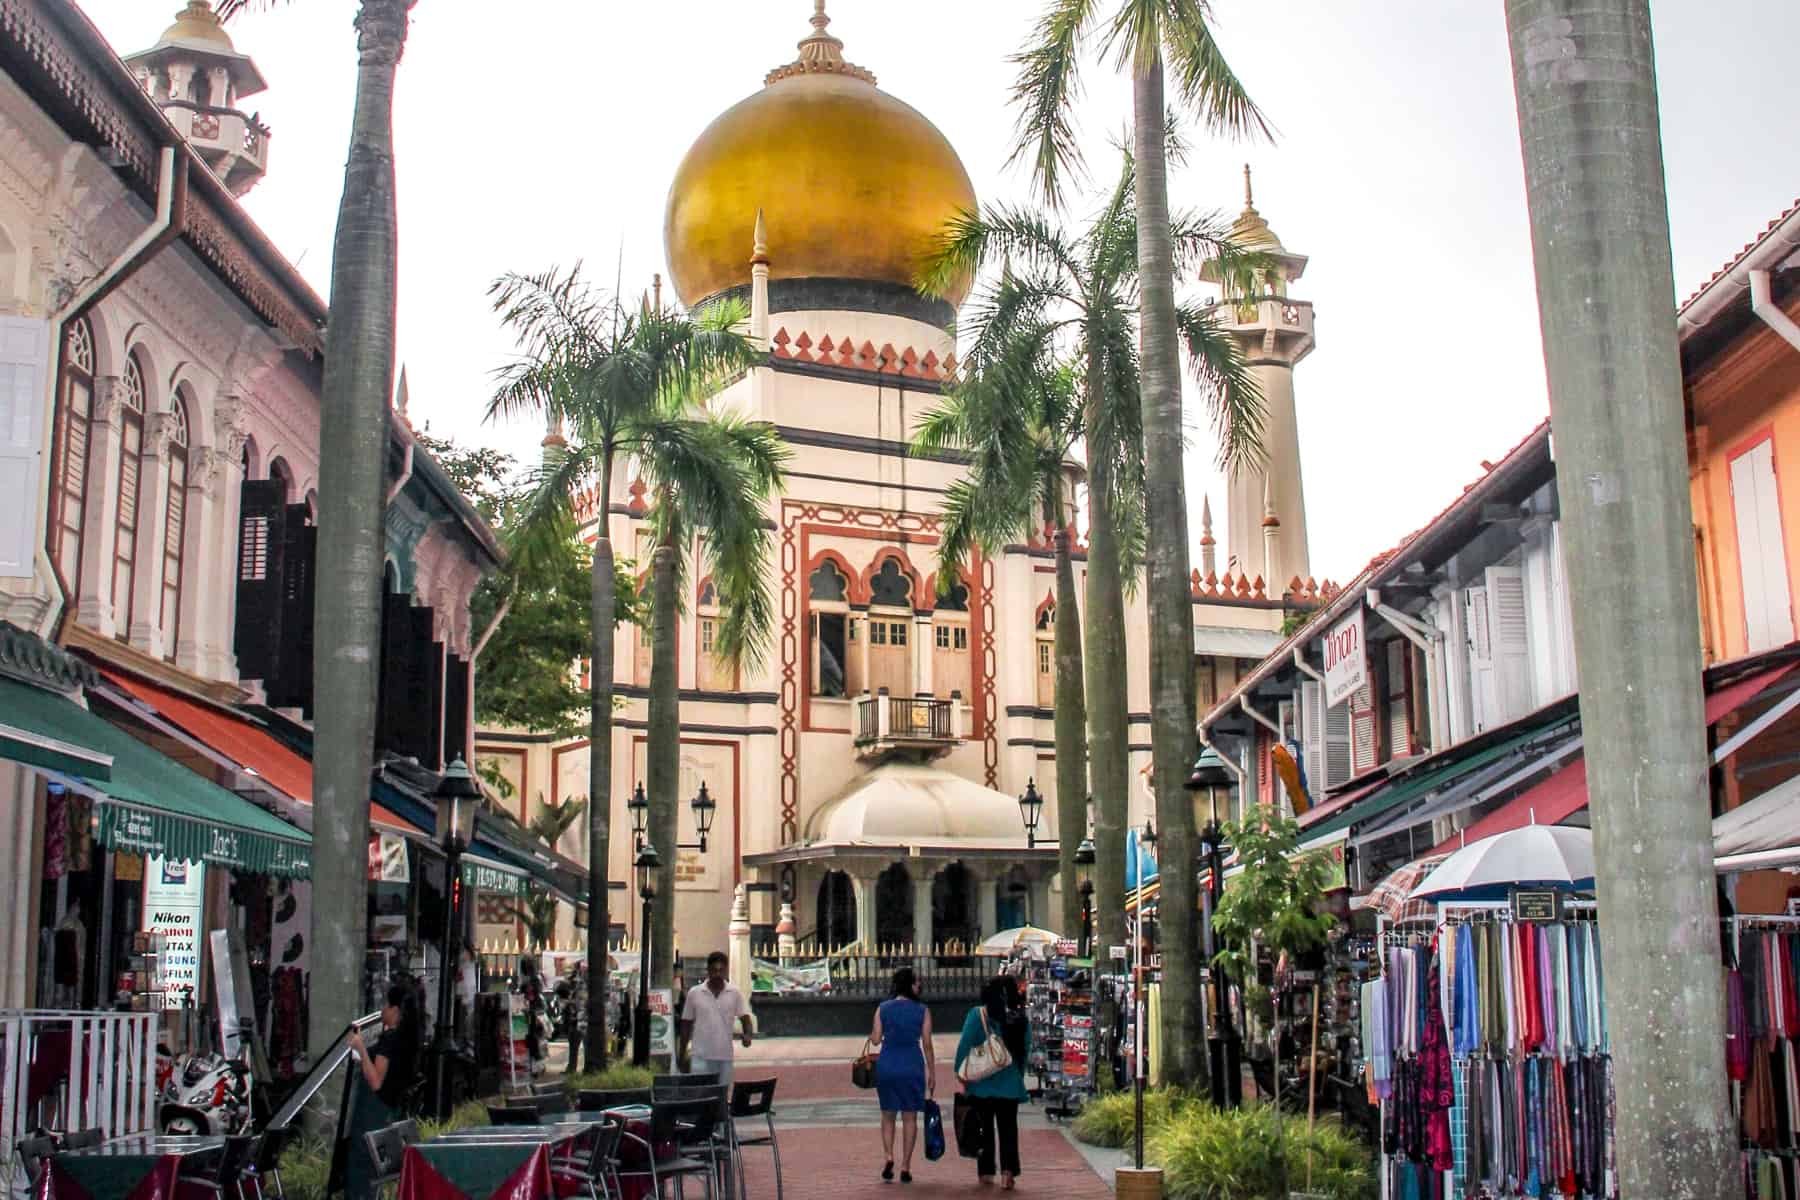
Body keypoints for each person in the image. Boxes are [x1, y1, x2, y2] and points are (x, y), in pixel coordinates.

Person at [345, 984, 420, 1200]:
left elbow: (376, 1081)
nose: (382, 1011)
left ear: (396, 1011)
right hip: (389, 1110)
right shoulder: (409, 1039)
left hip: (373, 1110)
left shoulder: (391, 1040)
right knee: (373, 1167)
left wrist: (360, 1048)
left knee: (361, 1165)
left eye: (386, 1006)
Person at [955, 975, 1030, 1190]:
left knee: (984, 1129)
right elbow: (1025, 1049)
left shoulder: (978, 1015)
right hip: (1009, 1083)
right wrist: (1018, 1073)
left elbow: (965, 1044)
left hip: (981, 1083)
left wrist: (960, 1072)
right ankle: (1009, 1172)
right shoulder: (1019, 1018)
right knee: (1008, 1129)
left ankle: (986, 1172)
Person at [870, 966, 934, 1184]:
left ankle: (888, 1156)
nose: (920, 986)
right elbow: (927, 1044)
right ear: (910, 985)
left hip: (887, 1064)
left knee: (887, 1115)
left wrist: (874, 1033)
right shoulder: (922, 1010)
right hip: (912, 1065)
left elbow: (876, 1040)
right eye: (917, 982)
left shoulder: (883, 1008)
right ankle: (905, 1165)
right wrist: (932, 1072)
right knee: (909, 1117)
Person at [679, 951, 752, 1086]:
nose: (717, 974)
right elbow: (686, 1024)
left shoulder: (735, 993)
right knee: (700, 1097)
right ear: (708, 971)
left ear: (726, 971)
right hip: (700, 1056)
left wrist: (748, 1035)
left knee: (721, 1098)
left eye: (721, 970)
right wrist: (682, 1053)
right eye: (714, 970)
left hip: (724, 1057)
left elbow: (745, 1018)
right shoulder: (694, 993)